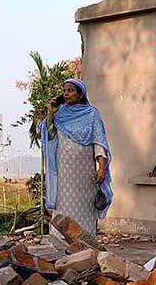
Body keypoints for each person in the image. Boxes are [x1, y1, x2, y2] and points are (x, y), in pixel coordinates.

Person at [39, 78, 113, 238]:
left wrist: (101, 169)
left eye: (70, 90)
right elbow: (50, 134)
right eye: (64, 90)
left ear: (80, 94)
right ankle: (60, 243)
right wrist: (51, 114)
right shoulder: (59, 114)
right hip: (64, 173)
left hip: (85, 175)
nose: (66, 93)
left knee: (85, 209)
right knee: (64, 207)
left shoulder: (92, 114)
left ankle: (86, 243)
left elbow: (99, 143)